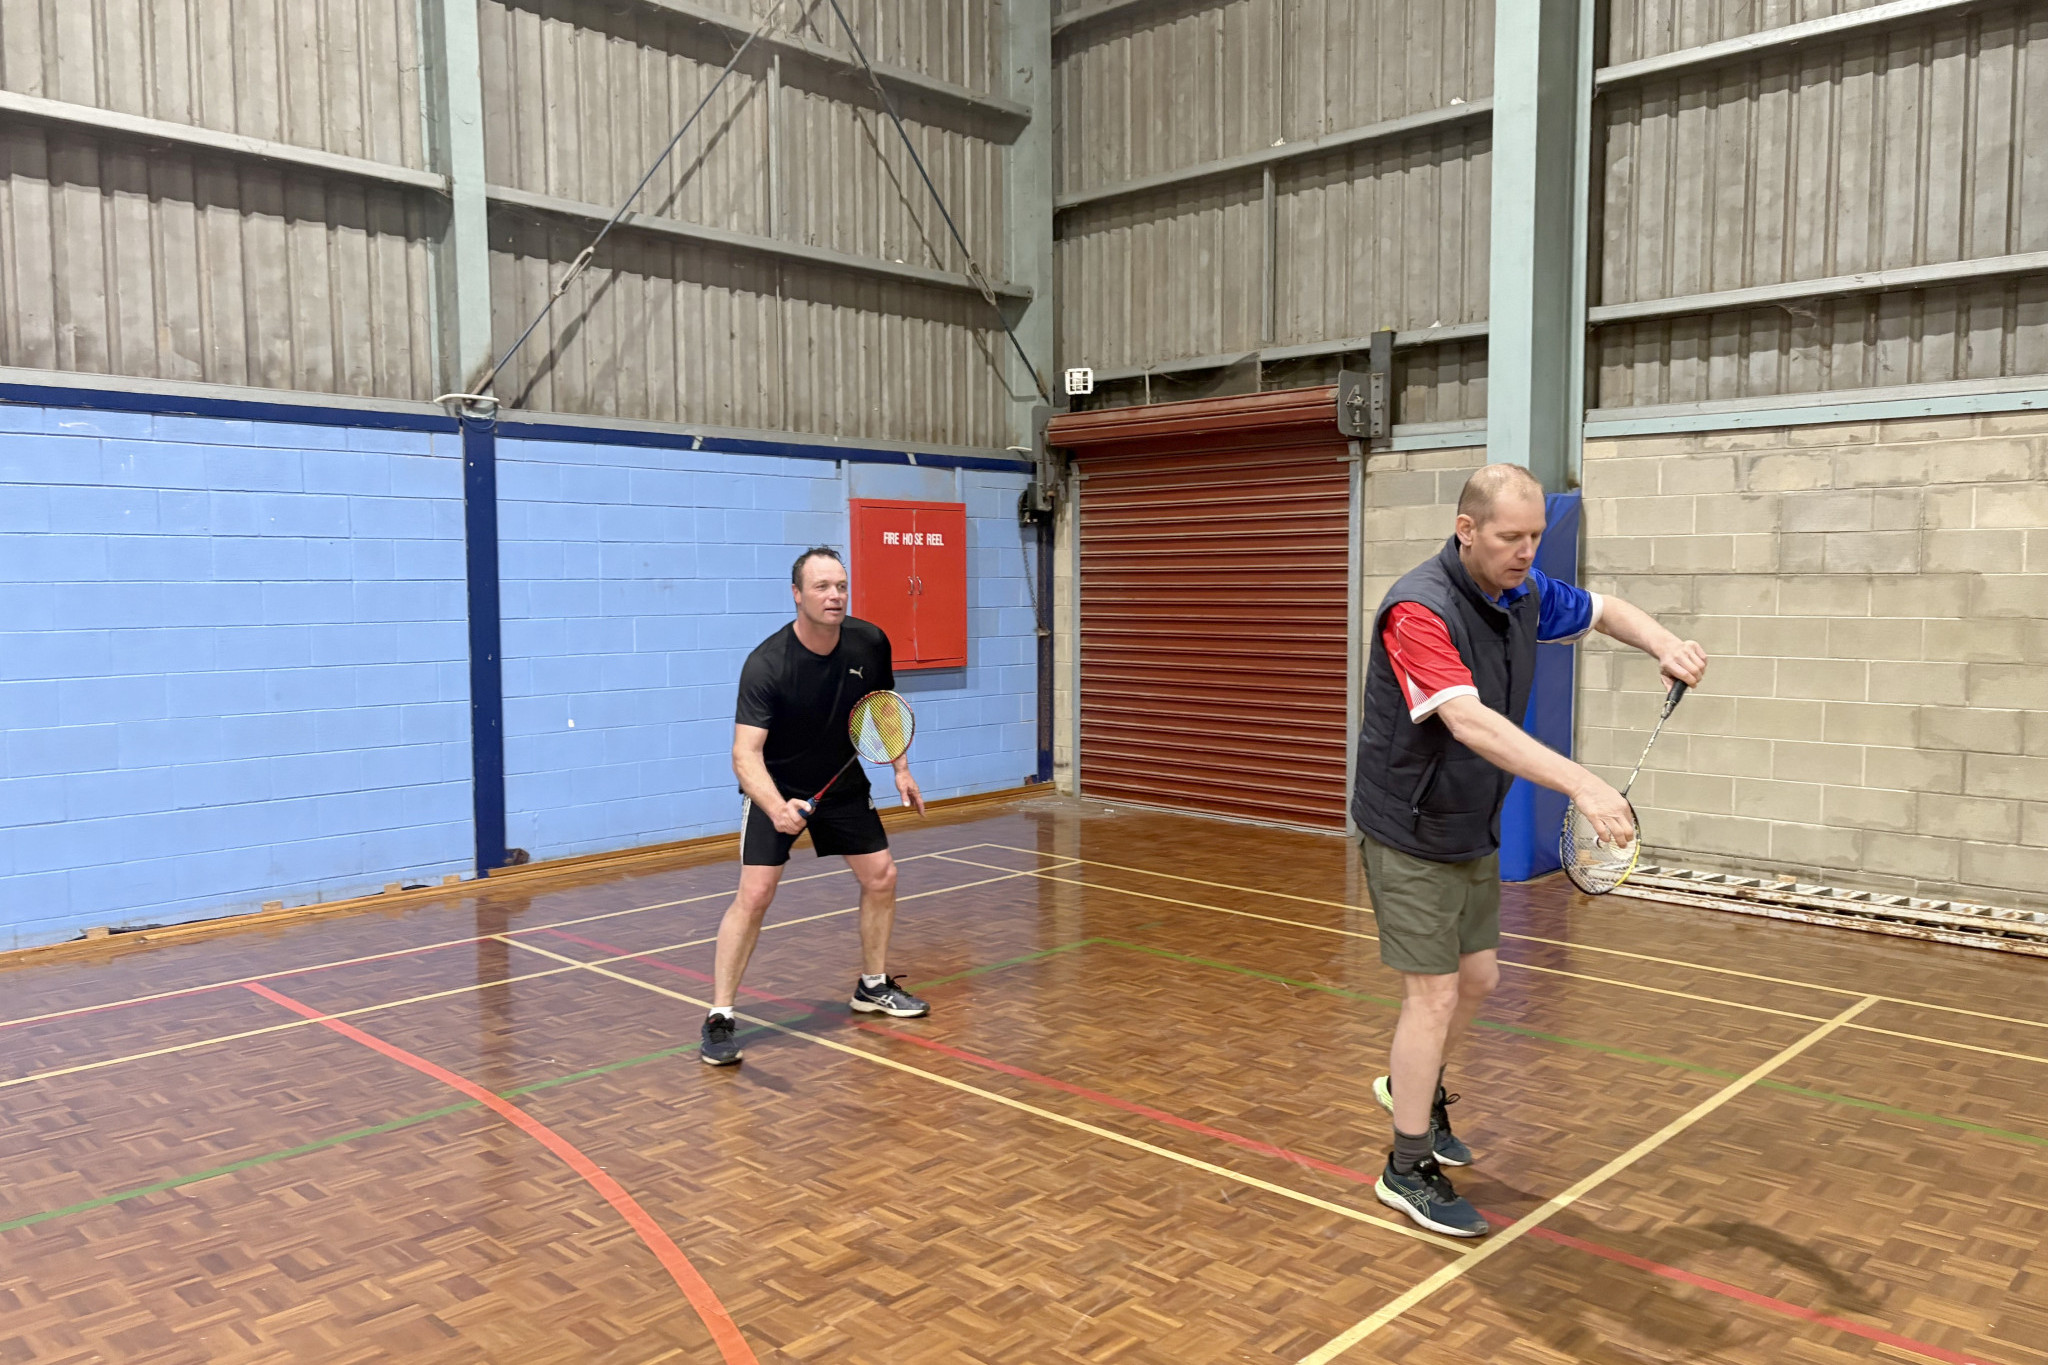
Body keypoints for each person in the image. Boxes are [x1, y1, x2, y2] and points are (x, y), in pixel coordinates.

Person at [1353, 464, 1709, 1236]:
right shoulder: (1419, 609)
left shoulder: (1523, 593)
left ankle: (1412, 1084)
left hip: (1469, 819)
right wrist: (1583, 784)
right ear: (1467, 529)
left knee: (1479, 977)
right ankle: (1405, 1166)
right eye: (1510, 537)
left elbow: (1604, 610)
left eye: (1535, 537)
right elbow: (1469, 722)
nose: (1525, 552)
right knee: (1434, 994)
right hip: (1409, 828)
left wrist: (1664, 643)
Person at [699, 546, 930, 1067]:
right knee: (754, 895)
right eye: (823, 587)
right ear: (797, 594)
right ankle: (720, 1016)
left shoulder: (869, 641)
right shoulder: (767, 664)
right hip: (776, 787)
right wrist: (777, 806)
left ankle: (871, 985)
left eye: (841, 586)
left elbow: (881, 710)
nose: (835, 596)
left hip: (841, 783)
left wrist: (900, 768)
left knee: (882, 877)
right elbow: (744, 755)